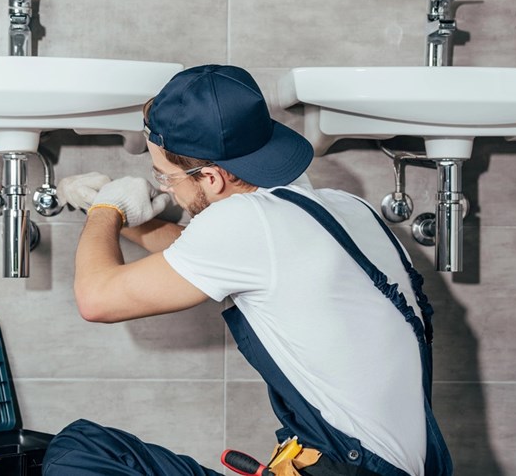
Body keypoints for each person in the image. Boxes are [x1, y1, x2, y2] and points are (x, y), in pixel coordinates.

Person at [42, 65, 453, 476]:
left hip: (357, 469)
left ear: (212, 178)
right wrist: (129, 217)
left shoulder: (245, 223)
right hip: (399, 467)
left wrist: (105, 211)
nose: (166, 189)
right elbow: (203, 260)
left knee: (79, 454)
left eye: (165, 177)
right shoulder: (344, 207)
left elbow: (95, 300)